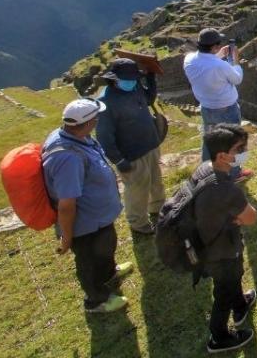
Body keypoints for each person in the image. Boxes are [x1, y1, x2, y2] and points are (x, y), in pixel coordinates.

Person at [42, 98, 132, 313]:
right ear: (88, 122)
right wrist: (67, 236)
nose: (98, 120)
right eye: (95, 118)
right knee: (88, 260)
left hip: (99, 216)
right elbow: (66, 204)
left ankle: (109, 273)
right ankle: (96, 300)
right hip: (84, 223)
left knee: (106, 245)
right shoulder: (67, 158)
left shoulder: (78, 137)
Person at [193, 124, 257, 354]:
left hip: (209, 243)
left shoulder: (203, 170)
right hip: (221, 251)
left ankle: (240, 304)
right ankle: (218, 336)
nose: (244, 152)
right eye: (239, 148)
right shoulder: (226, 190)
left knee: (234, 277)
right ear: (222, 155)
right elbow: (251, 217)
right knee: (223, 291)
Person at [95, 58, 165, 235]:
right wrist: (118, 159)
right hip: (132, 154)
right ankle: (138, 223)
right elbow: (104, 136)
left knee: (156, 181)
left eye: (134, 78)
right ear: (115, 79)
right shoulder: (105, 103)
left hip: (150, 144)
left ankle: (158, 209)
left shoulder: (135, 87)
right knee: (137, 189)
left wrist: (150, 78)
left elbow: (148, 100)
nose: (132, 82)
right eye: (128, 79)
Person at [184, 28, 252, 182]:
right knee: (233, 141)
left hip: (207, 108)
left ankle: (206, 172)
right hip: (227, 109)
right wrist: (235, 61)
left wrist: (218, 55)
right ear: (214, 47)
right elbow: (237, 79)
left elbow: (206, 66)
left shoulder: (188, 60)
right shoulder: (220, 66)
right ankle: (234, 174)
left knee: (210, 139)